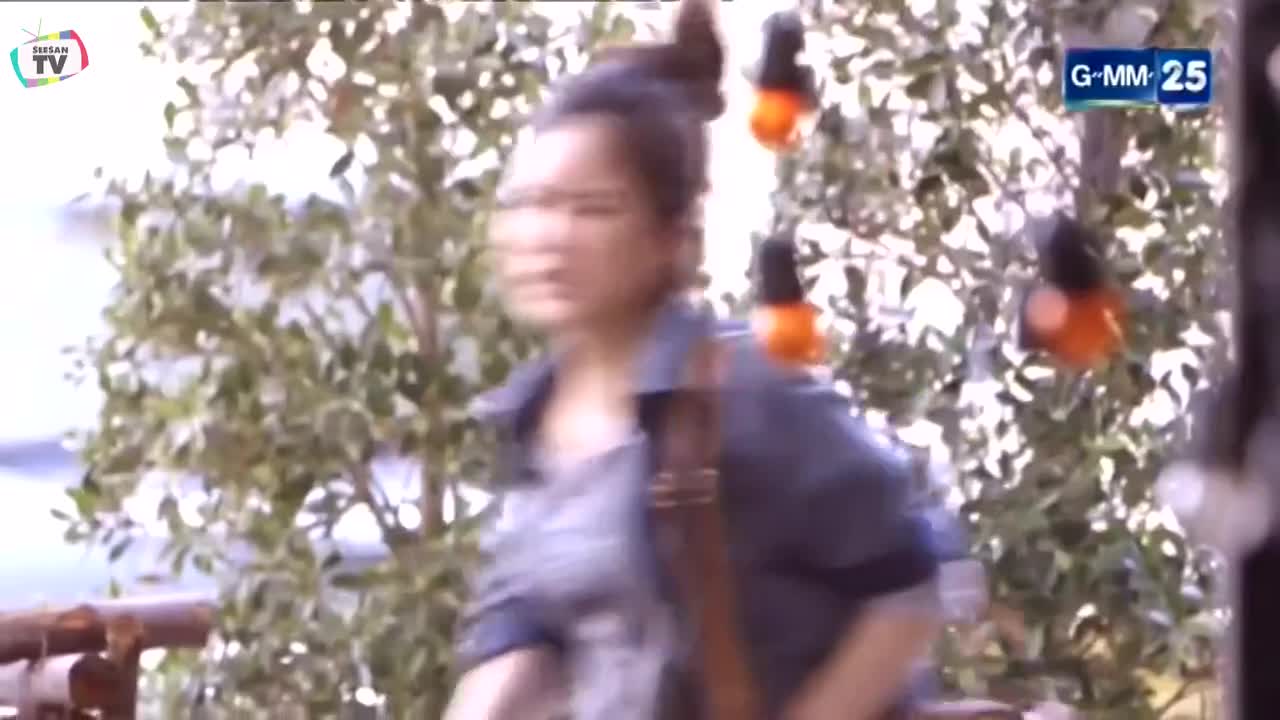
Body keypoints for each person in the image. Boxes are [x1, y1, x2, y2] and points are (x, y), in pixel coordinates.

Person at [444, 1, 942, 718]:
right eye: (530, 202)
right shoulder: (528, 421)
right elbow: (522, 627)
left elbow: (911, 582)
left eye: (592, 208)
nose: (548, 235)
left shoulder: (744, 393)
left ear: (669, 238)